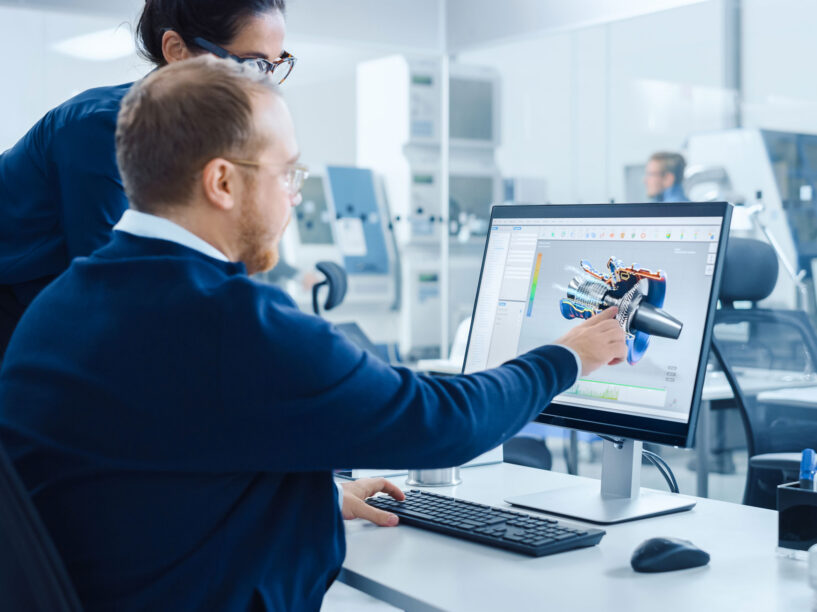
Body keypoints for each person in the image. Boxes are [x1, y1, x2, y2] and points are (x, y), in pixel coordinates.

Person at [0, 57, 627, 610]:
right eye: (286, 175)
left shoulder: (60, 305)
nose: (294, 199)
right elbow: (446, 422)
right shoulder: (232, 324)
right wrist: (567, 356)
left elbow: (143, 483)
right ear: (222, 182)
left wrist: (313, 497)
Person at [0, 0, 295, 360]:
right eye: (253, 66)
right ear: (176, 50)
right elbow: (117, 287)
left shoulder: (207, 145)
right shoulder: (101, 128)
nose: (267, 89)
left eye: (275, 66)